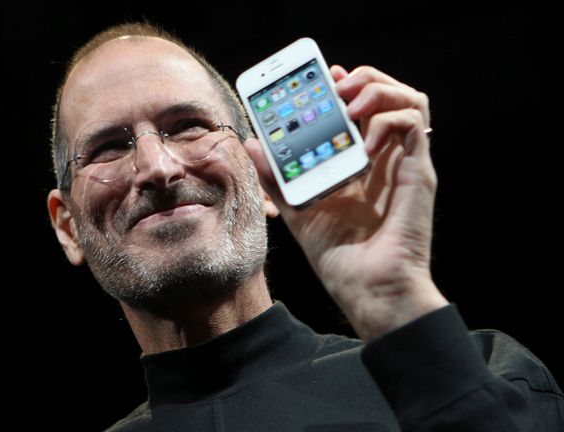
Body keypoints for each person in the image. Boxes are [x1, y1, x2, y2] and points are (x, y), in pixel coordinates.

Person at [46, 22, 563, 431]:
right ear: (67, 226)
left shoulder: (481, 372)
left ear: (265, 177)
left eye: (188, 126)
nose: (157, 167)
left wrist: (395, 302)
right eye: (109, 146)